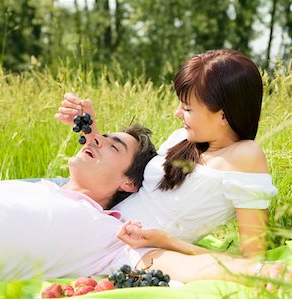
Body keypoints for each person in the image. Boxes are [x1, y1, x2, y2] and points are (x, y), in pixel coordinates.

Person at [0, 124, 292, 296]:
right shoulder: (39, 187)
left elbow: (175, 265)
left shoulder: (111, 236)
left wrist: (258, 272)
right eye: (98, 138)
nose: (93, 141)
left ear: (128, 183)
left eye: (112, 145)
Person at [55, 49, 276, 258]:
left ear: (223, 116)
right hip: (95, 216)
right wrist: (89, 129)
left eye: (188, 108)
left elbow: (253, 258)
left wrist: (166, 243)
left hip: (120, 250)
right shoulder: (183, 138)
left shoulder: (246, 156)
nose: (177, 113)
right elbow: (128, 177)